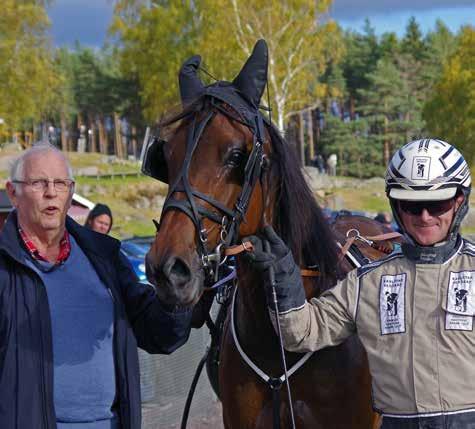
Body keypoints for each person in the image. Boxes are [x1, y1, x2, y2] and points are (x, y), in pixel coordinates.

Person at [246, 139, 474, 428]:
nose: (425, 216)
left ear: (459, 202)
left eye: (437, 203)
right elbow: (303, 332)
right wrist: (283, 278)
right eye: (412, 205)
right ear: (396, 207)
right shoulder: (368, 282)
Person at [1, 142, 193, 429]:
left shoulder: (104, 258)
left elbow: (159, 334)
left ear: (71, 192)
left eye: (60, 183)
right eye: (38, 182)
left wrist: (175, 296)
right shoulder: (5, 266)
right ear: (13, 193)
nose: (51, 192)